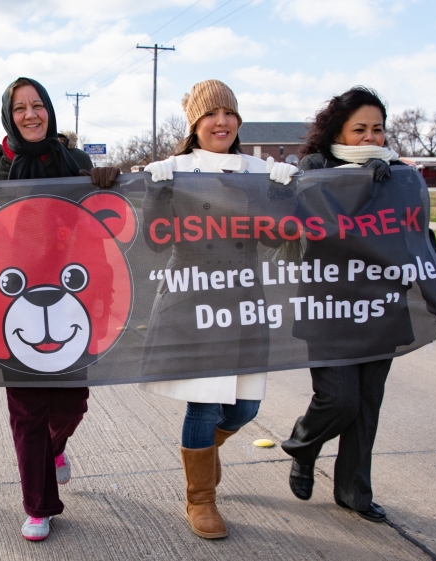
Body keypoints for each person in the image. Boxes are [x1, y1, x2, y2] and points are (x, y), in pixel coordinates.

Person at [280, 86, 436, 522]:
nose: (370, 138)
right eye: (358, 129)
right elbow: (300, 231)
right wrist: (355, 187)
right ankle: (303, 448)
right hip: (330, 310)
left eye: (377, 129)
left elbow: (421, 239)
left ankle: (354, 491)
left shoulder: (399, 174)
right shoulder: (314, 169)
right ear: (337, 130)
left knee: (366, 404)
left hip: (382, 309)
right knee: (339, 400)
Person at [0, 77, 120, 541]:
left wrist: (104, 182)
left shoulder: (77, 161)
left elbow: (98, 220)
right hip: (12, 305)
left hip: (74, 303)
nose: (30, 114)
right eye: (21, 107)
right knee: (27, 411)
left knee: (72, 404)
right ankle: (38, 505)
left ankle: (53, 450)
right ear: (9, 114)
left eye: (38, 105)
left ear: (50, 110)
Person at [138, 79, 298, 539]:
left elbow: (274, 236)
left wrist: (282, 193)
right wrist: (157, 191)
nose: (221, 122)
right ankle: (200, 498)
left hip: (243, 302)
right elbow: (154, 239)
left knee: (246, 407)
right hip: (192, 302)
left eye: (228, 113)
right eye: (210, 114)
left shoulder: (256, 170)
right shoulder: (176, 168)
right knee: (205, 403)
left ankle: (204, 453)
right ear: (195, 123)